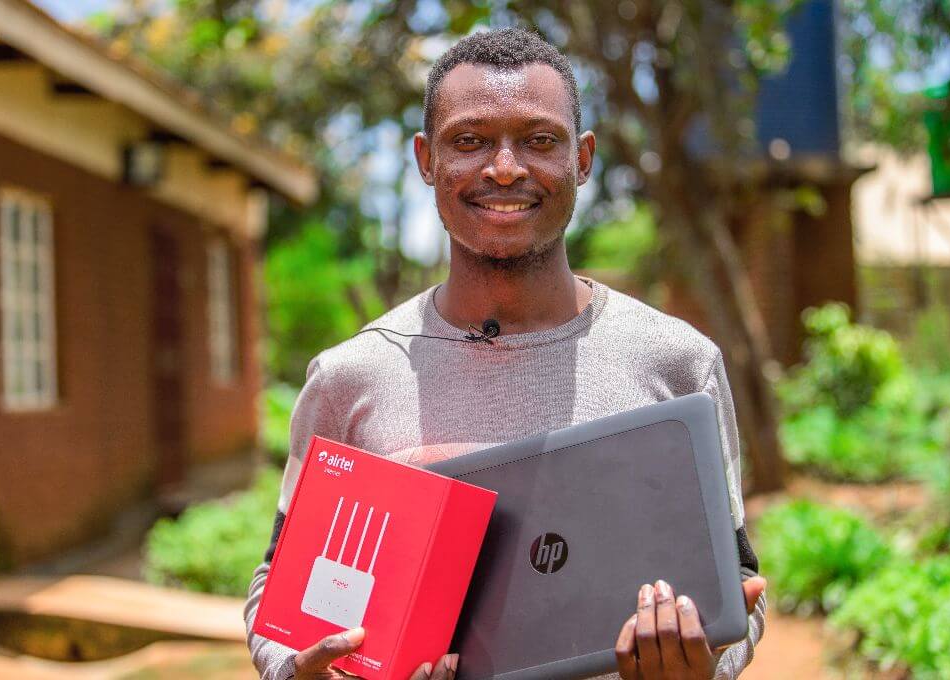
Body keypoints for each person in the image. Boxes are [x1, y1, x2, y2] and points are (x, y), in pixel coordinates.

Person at [245, 27, 766, 680]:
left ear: (582, 158)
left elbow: (736, 584)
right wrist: (300, 672)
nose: (505, 168)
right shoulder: (351, 378)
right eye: (469, 141)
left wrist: (706, 668)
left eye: (539, 140)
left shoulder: (677, 363)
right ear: (426, 159)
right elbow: (277, 591)